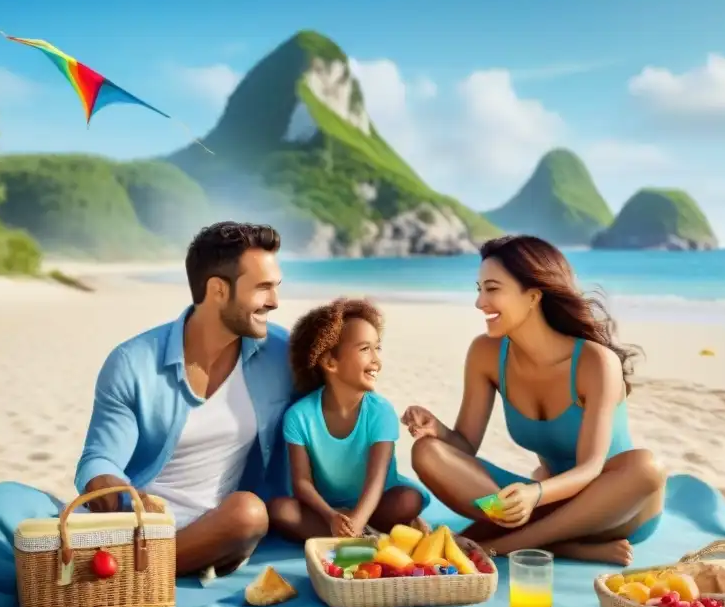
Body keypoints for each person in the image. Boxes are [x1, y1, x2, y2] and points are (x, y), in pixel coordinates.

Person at [403, 235, 666, 566]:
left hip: (616, 511)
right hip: (542, 506)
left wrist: (535, 493)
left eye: (492, 289)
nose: (480, 302)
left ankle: (505, 545)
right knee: (427, 452)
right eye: (479, 289)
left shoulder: (595, 363)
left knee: (646, 467)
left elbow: (590, 468)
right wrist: (436, 429)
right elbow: (464, 446)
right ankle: (561, 546)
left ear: (533, 296)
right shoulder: (486, 354)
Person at [73, 222, 295, 579]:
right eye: (263, 288)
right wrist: (117, 493)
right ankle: (138, 570)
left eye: (276, 287)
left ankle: (129, 576)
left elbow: (342, 400)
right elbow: (100, 458)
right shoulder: (134, 362)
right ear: (218, 290)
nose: (275, 301)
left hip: (219, 527)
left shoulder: (281, 353)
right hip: (140, 527)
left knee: (248, 513)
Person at [268, 298, 427, 541]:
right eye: (365, 349)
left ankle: (357, 532)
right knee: (280, 510)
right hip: (328, 509)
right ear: (330, 362)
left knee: (408, 500)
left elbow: (376, 482)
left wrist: (356, 521)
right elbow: (302, 483)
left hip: (378, 505)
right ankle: (369, 536)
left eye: (377, 348)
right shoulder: (299, 416)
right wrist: (331, 516)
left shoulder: (380, 411)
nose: (376, 360)